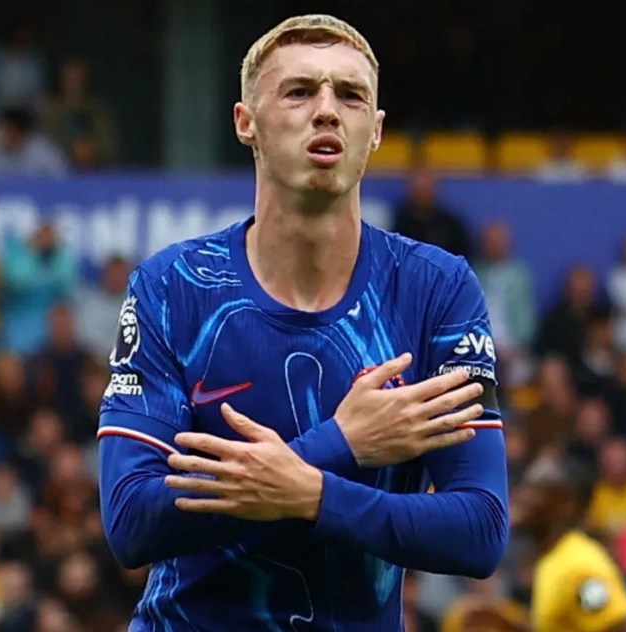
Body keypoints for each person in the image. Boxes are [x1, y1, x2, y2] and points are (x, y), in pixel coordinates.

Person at [97, 14, 509, 631]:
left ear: (375, 130)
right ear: (246, 123)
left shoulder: (436, 289)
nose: (326, 111)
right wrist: (338, 446)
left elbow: (480, 531)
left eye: (350, 95)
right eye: (299, 91)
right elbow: (130, 521)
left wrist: (314, 495)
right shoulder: (171, 286)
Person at [461, 456, 626, 632]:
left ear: (565, 505)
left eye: (534, 489)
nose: (519, 495)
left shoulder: (579, 565)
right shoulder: (553, 557)